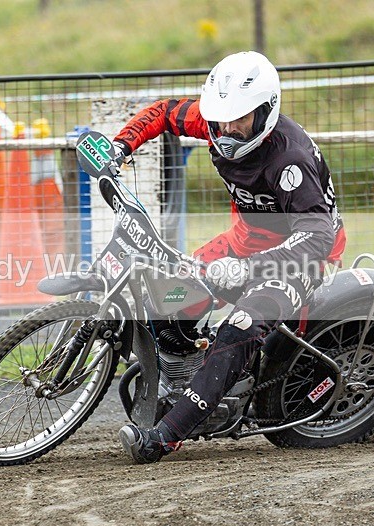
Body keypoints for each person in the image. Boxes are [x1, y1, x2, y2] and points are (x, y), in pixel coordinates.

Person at [112, 51, 347, 464]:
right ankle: (189, 383)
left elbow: (317, 237)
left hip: (302, 258)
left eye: (239, 118)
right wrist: (121, 145)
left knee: (239, 327)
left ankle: (165, 437)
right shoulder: (215, 122)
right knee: (165, 298)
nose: (227, 129)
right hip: (243, 242)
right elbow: (164, 112)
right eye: (221, 118)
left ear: (265, 112)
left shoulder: (289, 160)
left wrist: (247, 268)